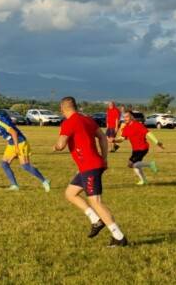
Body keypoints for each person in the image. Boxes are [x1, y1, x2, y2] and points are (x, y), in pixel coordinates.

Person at [54, 96, 127, 247]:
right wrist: (104, 158)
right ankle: (96, 220)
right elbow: (102, 137)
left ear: (62, 109)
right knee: (70, 193)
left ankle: (119, 237)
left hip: (90, 167)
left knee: (96, 202)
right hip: (92, 165)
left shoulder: (69, 122)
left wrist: (56, 146)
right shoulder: (87, 119)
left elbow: (61, 145)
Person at [0, 110, 50, 192]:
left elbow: (14, 133)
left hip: (20, 143)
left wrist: (16, 147)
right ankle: (14, 185)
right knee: (4, 164)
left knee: (25, 166)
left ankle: (45, 181)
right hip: (11, 144)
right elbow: (7, 135)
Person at [117, 111, 164, 185]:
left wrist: (156, 142)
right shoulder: (126, 128)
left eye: (127, 117)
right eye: (124, 117)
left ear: (131, 117)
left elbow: (148, 133)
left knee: (132, 164)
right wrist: (114, 140)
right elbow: (122, 139)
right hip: (135, 149)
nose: (125, 118)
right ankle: (143, 180)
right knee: (136, 166)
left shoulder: (138, 125)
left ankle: (150, 164)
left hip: (142, 148)